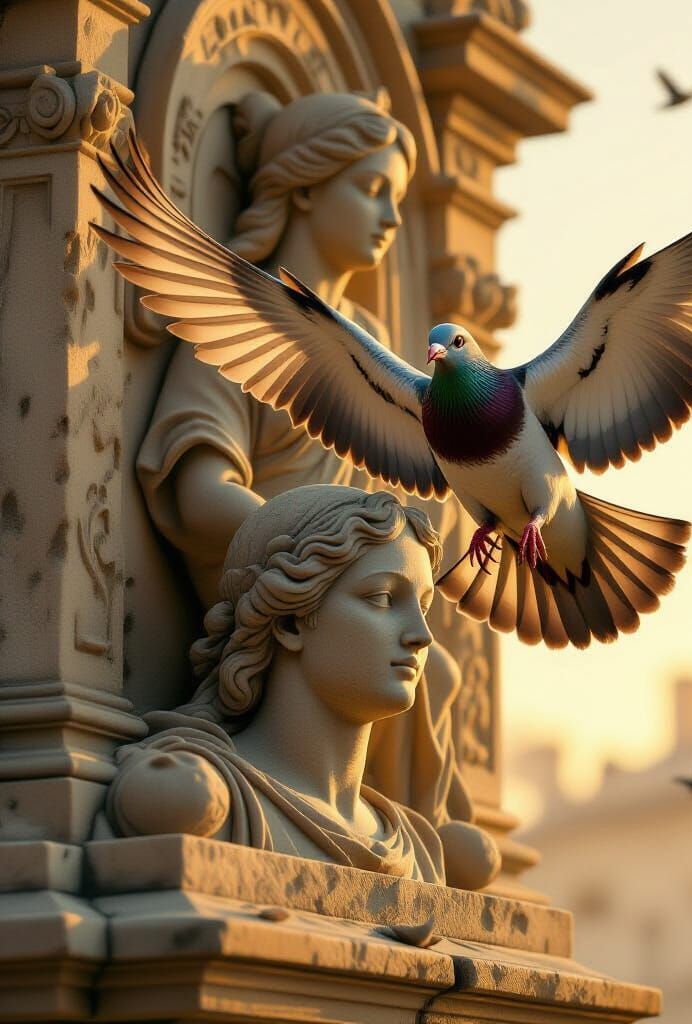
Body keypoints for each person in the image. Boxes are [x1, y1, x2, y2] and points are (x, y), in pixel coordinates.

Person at [136, 89, 475, 834]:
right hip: (278, 581)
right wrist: (318, 562)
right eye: (372, 188)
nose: (391, 215)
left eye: (397, 196)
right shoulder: (243, 322)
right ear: (308, 185)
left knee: (437, 677)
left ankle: (394, 824)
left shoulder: (373, 342)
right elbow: (198, 491)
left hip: (357, 592)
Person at [101, 486, 499, 888]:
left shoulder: (418, 850)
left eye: (424, 606)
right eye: (382, 598)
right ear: (290, 622)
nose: (422, 635)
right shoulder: (208, 800)